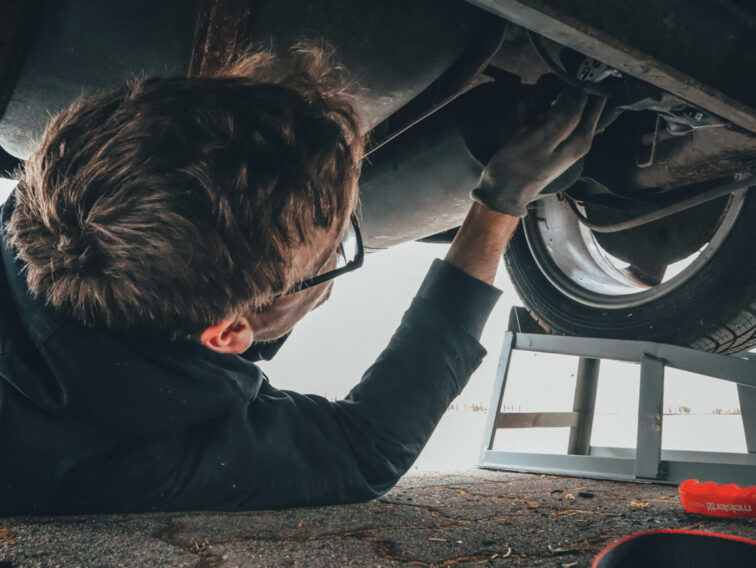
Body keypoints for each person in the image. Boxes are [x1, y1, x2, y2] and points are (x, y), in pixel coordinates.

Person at [0, 45, 604, 514]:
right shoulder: (132, 459)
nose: (332, 273)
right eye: (333, 252)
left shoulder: (65, 206)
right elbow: (368, 448)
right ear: (228, 332)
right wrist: (499, 202)